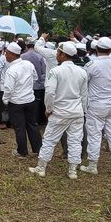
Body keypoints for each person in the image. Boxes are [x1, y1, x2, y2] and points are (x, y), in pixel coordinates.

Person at [29, 42, 88, 179]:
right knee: (75, 141)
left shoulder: (55, 71)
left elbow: (50, 92)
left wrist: (49, 109)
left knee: (49, 140)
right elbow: (84, 95)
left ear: (63, 54)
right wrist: (83, 111)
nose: (56, 55)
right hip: (76, 111)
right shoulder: (82, 72)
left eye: (58, 52)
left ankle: (41, 167)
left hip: (60, 111)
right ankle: (72, 170)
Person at [80, 37, 111, 175]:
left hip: (96, 105)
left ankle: (93, 165)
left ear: (97, 49)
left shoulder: (91, 65)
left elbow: (84, 84)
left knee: (94, 135)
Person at [2, 42, 42, 158]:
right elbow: (35, 78)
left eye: (7, 53)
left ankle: (22, 151)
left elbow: (8, 89)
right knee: (32, 125)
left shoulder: (11, 70)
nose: (5, 55)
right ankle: (38, 149)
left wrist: (5, 100)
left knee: (19, 128)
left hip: (16, 103)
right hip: (30, 100)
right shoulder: (28, 64)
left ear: (12, 54)